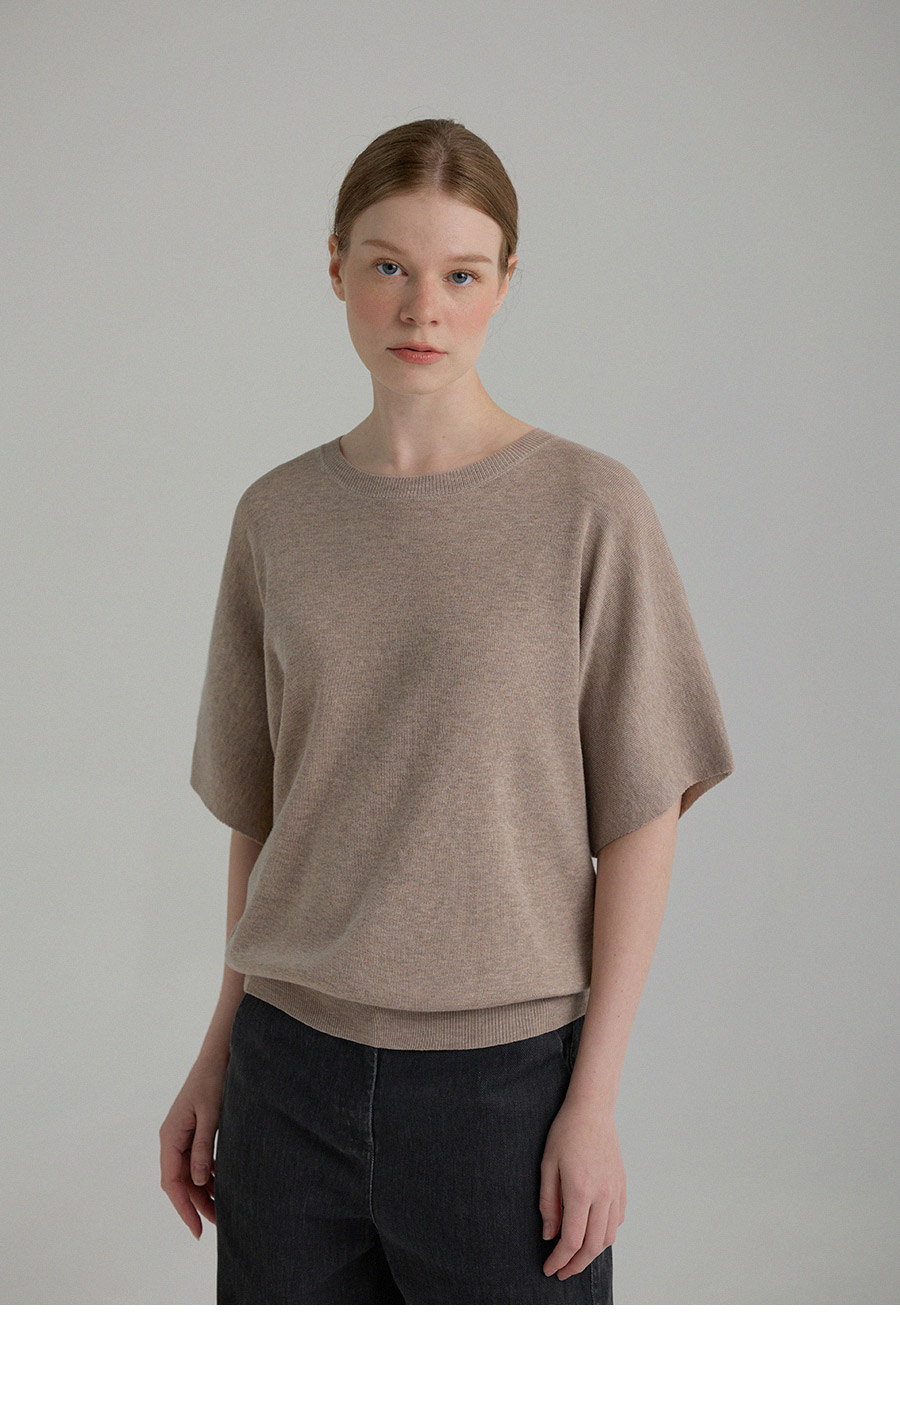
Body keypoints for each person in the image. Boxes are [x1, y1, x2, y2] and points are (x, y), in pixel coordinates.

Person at [159, 117, 735, 1304]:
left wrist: (593, 1100)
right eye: (389, 265)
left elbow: (642, 818)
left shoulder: (590, 508)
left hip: (503, 1090)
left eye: (461, 274)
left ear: (506, 282)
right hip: (285, 1076)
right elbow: (264, 816)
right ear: (335, 269)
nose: (422, 307)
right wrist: (217, 1047)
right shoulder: (277, 517)